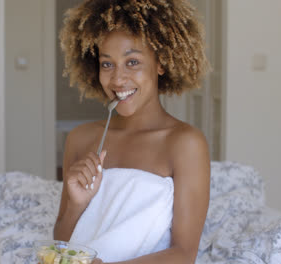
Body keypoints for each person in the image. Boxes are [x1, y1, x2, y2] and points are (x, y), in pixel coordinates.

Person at [54, 0, 210, 263]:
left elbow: (184, 254)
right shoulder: (80, 139)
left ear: (161, 63)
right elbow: (61, 241)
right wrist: (76, 206)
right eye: (107, 64)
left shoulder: (186, 144)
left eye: (133, 62)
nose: (117, 79)